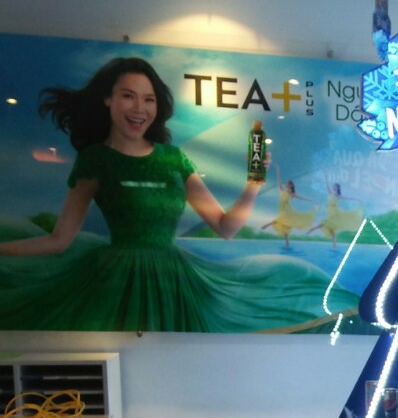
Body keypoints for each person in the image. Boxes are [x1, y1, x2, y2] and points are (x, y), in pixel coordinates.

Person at [0, 56, 353, 332]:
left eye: (149, 99)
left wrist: (252, 184)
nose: (139, 108)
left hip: (175, 284)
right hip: (112, 285)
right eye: (128, 96)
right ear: (108, 99)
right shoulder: (95, 160)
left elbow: (226, 227)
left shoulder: (173, 159)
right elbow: (59, 240)